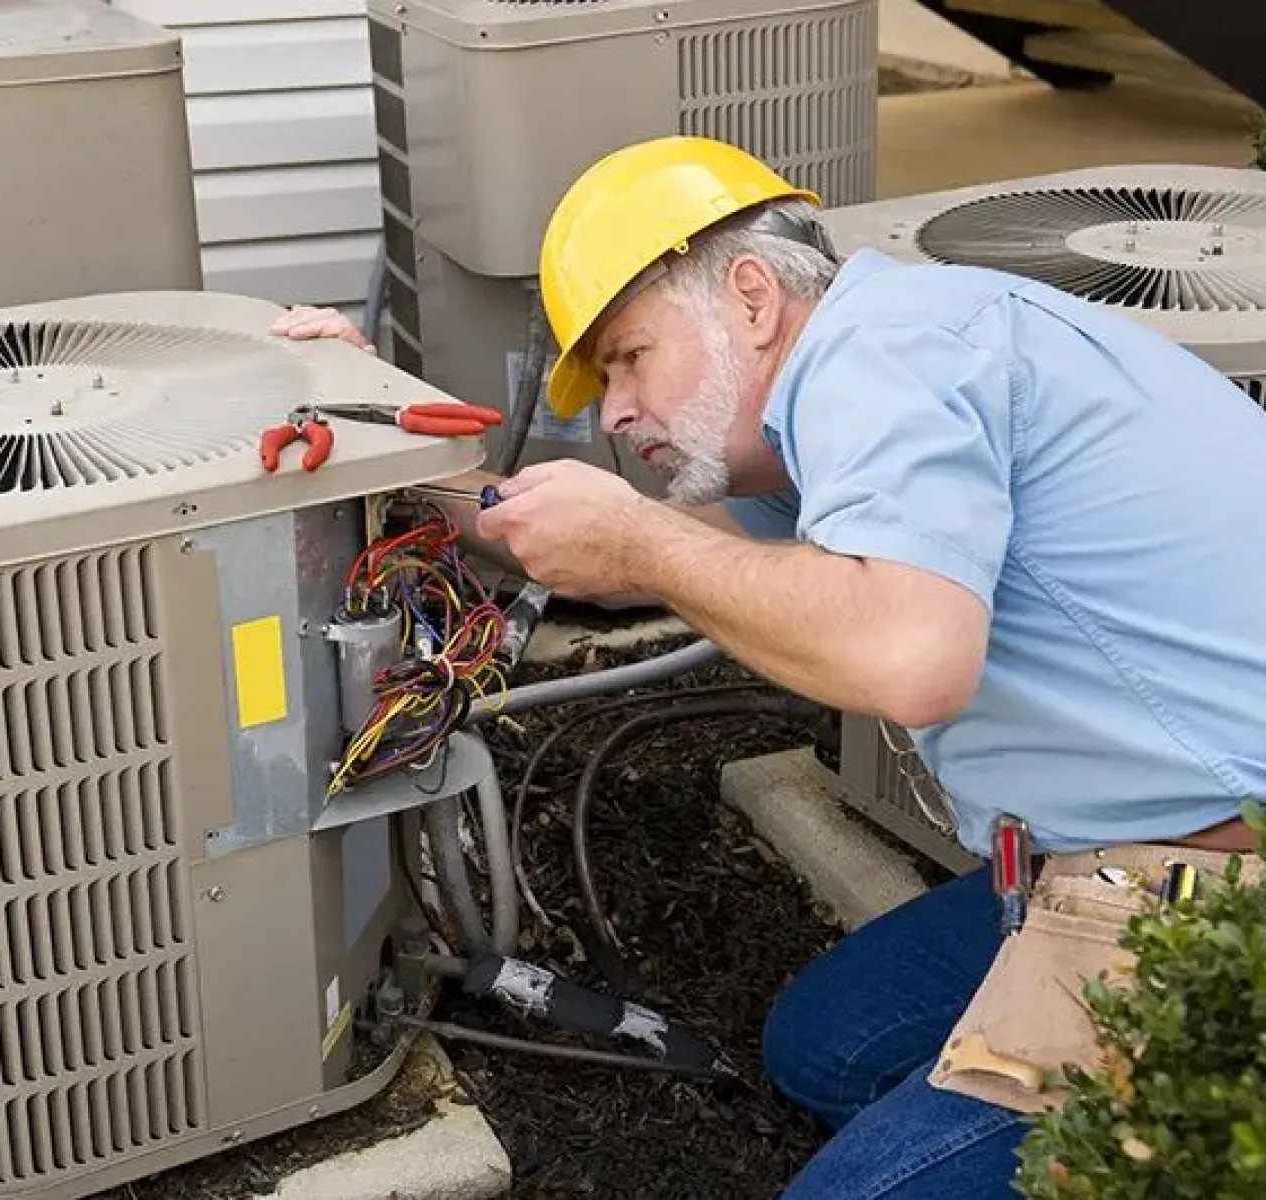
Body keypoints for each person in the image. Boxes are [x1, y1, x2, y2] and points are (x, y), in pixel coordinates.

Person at [271, 134, 1266, 1197]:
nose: (610, 413)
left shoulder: (886, 354)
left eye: (627, 357)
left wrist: (644, 541)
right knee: (826, 1047)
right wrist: (394, 450)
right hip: (1105, 845)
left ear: (749, 296)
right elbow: (639, 559)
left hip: (1212, 892)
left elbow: (907, 657)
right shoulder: (855, 379)